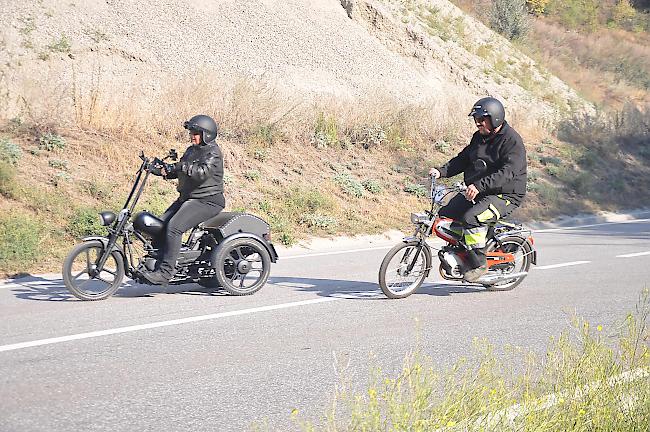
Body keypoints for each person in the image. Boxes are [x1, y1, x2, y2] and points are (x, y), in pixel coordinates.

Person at [429, 97, 527, 282]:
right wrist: (441, 171)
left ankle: (479, 263)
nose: (478, 123)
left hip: (505, 195)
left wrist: (479, 185)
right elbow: (464, 159)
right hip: (479, 191)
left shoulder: (512, 141)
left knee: (471, 219)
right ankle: (464, 251)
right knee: (447, 214)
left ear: (495, 118)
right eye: (476, 120)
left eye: (482, 119)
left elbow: (508, 172)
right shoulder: (479, 137)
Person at [141, 114, 225, 285]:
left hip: (207, 200)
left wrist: (180, 166)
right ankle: (156, 263)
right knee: (159, 225)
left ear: (206, 134)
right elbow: (178, 171)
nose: (192, 136)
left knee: (174, 228)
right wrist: (158, 169)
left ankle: (165, 273)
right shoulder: (191, 150)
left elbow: (201, 173)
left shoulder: (213, 152)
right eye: (191, 132)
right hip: (188, 198)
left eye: (196, 132)